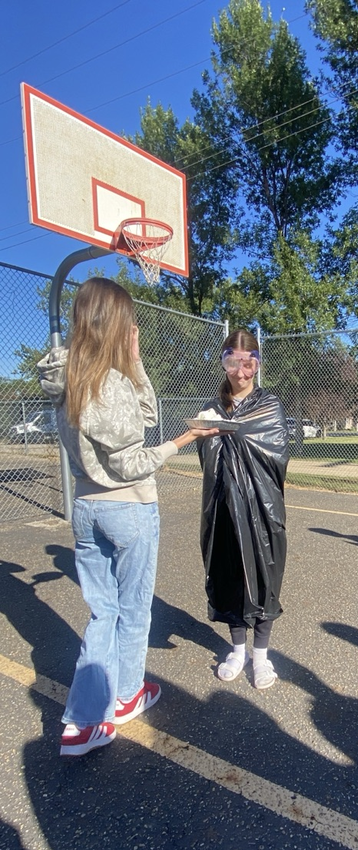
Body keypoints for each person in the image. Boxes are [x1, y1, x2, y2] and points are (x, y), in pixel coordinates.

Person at [38, 278, 219, 757]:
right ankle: (112, 705)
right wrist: (184, 441)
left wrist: (133, 360)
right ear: (113, 322)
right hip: (126, 506)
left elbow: (142, 417)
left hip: (85, 507)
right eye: (127, 321)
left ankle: (91, 715)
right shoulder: (109, 383)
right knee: (134, 609)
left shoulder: (65, 376)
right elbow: (133, 458)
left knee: (104, 611)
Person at [196, 330, 289, 690]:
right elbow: (207, 460)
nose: (241, 371)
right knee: (229, 573)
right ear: (223, 363)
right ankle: (238, 651)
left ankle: (261, 655)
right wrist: (210, 434)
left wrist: (236, 436)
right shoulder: (213, 409)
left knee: (265, 574)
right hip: (223, 505)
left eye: (248, 362)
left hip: (261, 506)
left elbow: (276, 454)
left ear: (257, 364)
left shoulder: (269, 405)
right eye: (232, 362)